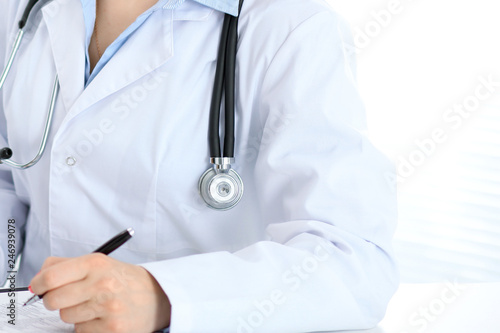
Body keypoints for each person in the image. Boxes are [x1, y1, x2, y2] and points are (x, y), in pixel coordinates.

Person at [0, 0, 399, 332]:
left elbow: (352, 260)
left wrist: (166, 296)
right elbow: (8, 179)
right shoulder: (20, 12)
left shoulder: (290, 27)